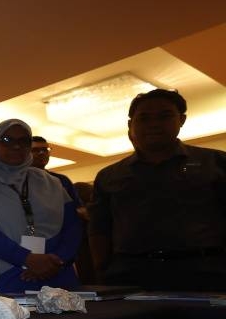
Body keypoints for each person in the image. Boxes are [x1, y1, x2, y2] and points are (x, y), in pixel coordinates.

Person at [89, 89, 226, 291]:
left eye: (165, 116)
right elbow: (99, 228)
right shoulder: (109, 175)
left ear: (182, 120)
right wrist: (103, 270)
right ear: (130, 125)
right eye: (144, 118)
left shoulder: (216, 163)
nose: (154, 124)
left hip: (207, 274)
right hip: (129, 277)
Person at [0, 119, 81, 294]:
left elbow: (72, 227)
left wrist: (56, 261)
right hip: (1, 277)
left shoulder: (52, 183)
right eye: (7, 140)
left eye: (23, 141)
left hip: (54, 274)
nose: (16, 147)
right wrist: (27, 258)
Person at [31, 135, 78, 203]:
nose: (42, 153)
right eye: (35, 150)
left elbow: (77, 208)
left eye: (45, 150)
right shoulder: (19, 178)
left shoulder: (62, 180)